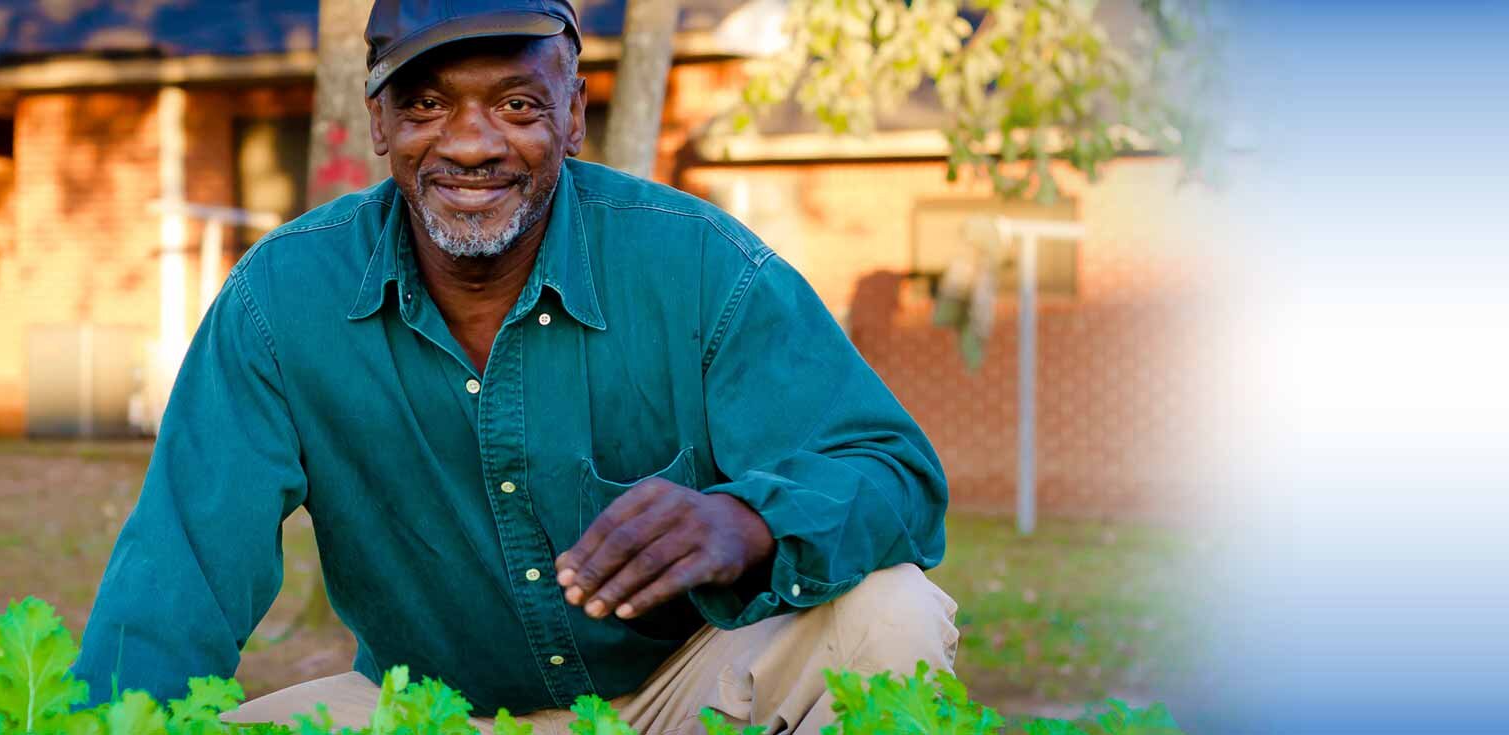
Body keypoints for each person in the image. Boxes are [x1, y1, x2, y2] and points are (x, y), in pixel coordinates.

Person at [70, 1, 955, 732]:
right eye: (424, 106)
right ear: (377, 122)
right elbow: (179, 566)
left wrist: (748, 520)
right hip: (430, 713)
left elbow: (893, 472)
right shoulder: (282, 299)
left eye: (518, 106)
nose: (469, 143)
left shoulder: (696, 265)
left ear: (573, 115)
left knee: (891, 615)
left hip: (686, 700)